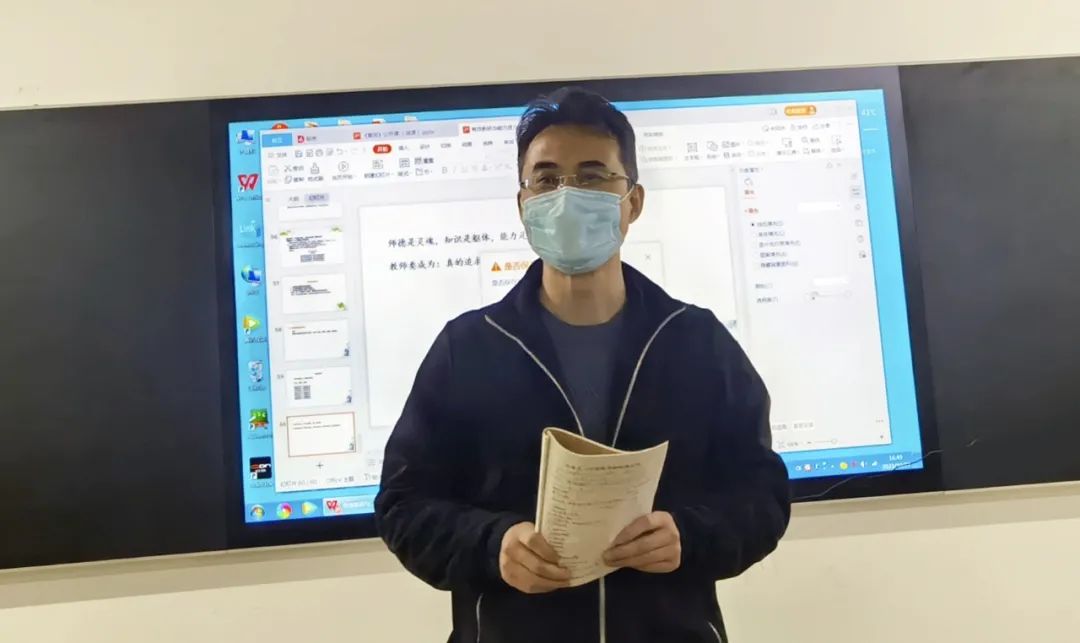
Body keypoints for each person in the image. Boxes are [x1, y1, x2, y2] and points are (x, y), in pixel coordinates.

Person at [375, 87, 790, 643]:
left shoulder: (696, 342)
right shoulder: (467, 348)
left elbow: (762, 494)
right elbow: (403, 505)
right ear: (523, 204)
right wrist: (493, 545)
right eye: (546, 179)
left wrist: (690, 535)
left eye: (593, 177)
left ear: (633, 202)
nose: (567, 196)